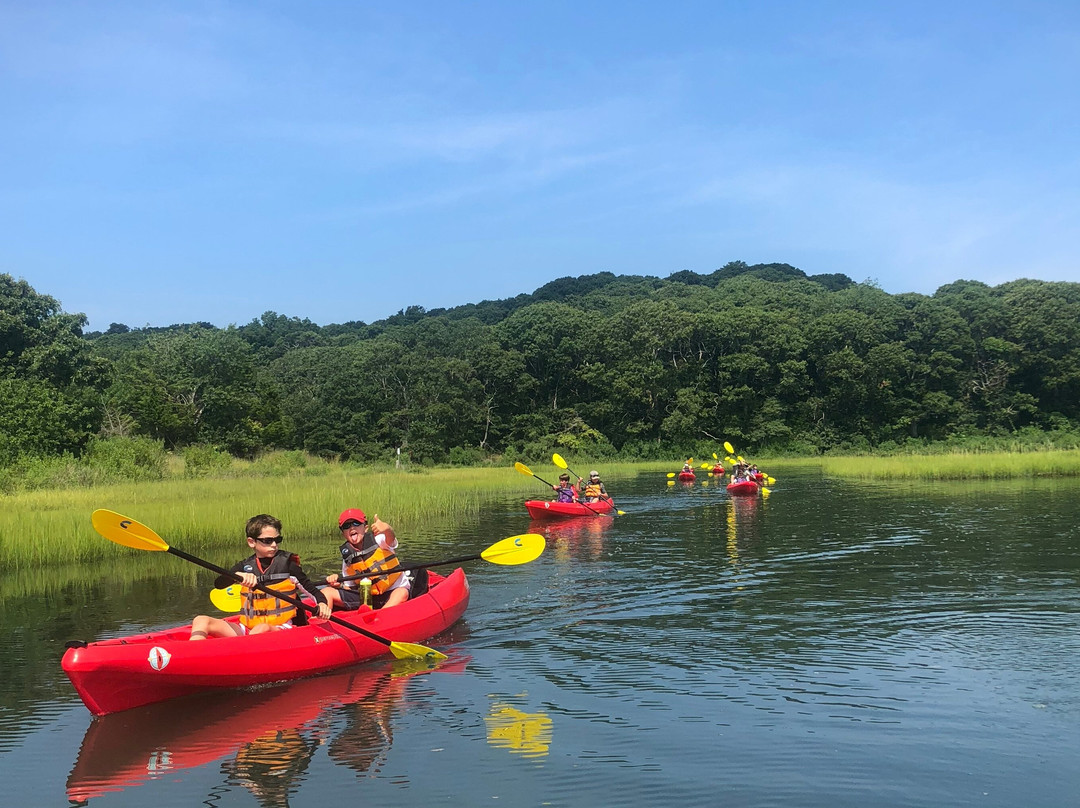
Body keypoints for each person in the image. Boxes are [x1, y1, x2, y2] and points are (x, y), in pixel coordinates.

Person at [190, 514, 332, 640]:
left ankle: (242, 656)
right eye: (267, 541)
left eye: (277, 539)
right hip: (248, 628)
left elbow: (313, 591)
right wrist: (236, 576)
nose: (274, 545)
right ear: (252, 542)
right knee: (201, 620)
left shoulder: (288, 565)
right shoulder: (244, 566)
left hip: (281, 628)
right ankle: (192, 655)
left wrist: (322, 604)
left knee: (261, 628)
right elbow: (219, 584)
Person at [322, 509, 414, 610]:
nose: (352, 527)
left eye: (356, 523)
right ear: (343, 533)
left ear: (365, 528)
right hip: (367, 597)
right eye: (346, 526)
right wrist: (338, 584)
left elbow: (391, 539)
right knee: (326, 592)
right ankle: (319, 621)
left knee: (402, 593)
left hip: (392, 590)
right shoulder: (347, 558)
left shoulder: (379, 540)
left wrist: (387, 529)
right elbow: (349, 587)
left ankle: (381, 615)